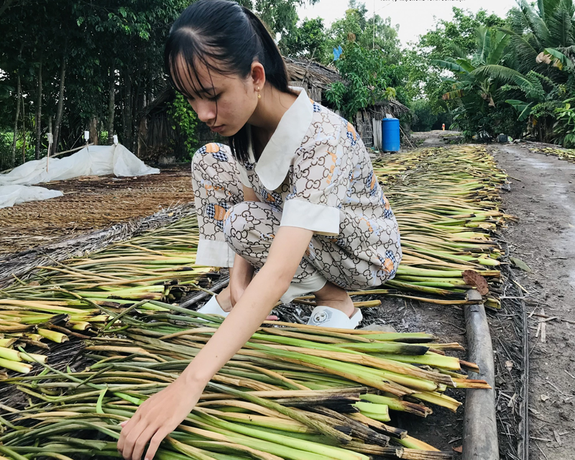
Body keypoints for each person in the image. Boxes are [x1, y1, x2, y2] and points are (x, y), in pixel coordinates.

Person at [117, 1, 401, 459]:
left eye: (210, 94)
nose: (202, 113)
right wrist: (236, 287)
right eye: (191, 99)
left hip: (365, 249)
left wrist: (189, 382)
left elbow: (278, 266)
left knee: (249, 223)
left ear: (254, 76)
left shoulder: (320, 138)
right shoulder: (246, 127)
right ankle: (236, 297)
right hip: (299, 229)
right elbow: (252, 202)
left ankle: (337, 302)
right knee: (208, 161)